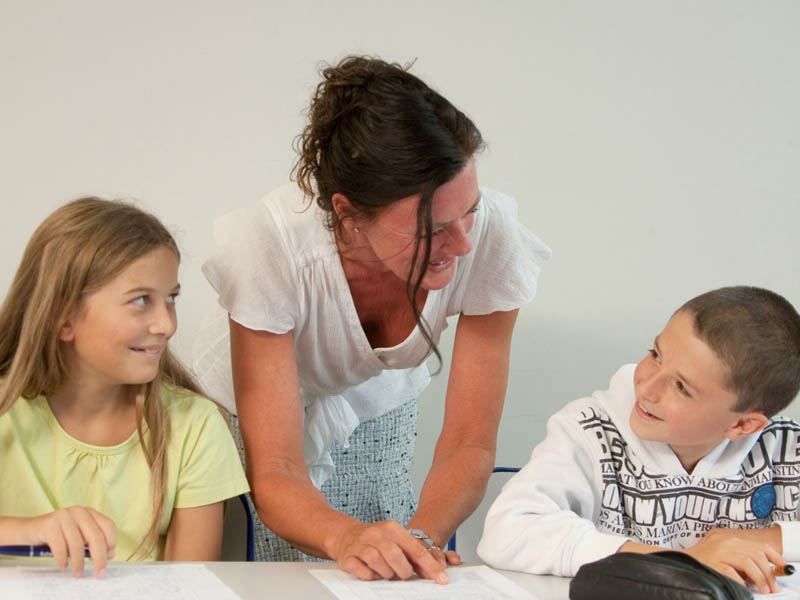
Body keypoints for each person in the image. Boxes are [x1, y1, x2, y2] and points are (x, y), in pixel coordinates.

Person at [193, 55, 551, 583]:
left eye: (470, 210)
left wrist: (421, 544)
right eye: (433, 228)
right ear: (347, 214)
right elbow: (277, 472)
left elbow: (468, 444)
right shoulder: (267, 247)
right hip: (252, 396)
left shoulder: (488, 235)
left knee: (388, 547)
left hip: (375, 388)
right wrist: (344, 537)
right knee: (281, 567)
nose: (463, 244)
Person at [477, 286, 800, 594]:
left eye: (682, 387)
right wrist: (683, 561)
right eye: (656, 354)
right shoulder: (588, 429)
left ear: (743, 425)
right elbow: (507, 532)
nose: (647, 388)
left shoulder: (786, 447)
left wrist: (764, 540)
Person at [0, 198, 249, 578]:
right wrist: (24, 531)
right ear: (62, 317)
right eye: (140, 300)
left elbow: (187, 586)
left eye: (171, 298)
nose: (166, 324)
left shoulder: (195, 425)